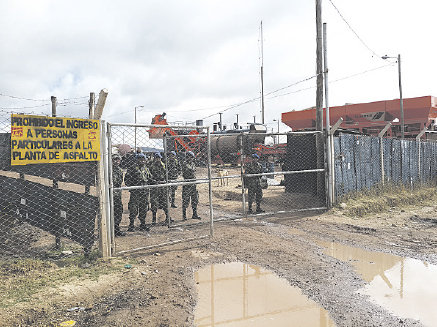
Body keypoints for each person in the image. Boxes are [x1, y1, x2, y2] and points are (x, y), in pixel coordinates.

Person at [124, 153, 150, 231]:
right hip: (135, 192)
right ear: (137, 160)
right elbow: (127, 180)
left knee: (143, 208)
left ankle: (143, 224)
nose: (142, 161)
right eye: (140, 159)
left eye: (143, 159)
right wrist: (133, 186)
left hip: (144, 192)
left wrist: (154, 182)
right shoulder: (132, 168)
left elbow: (149, 177)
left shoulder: (145, 168)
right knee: (133, 209)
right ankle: (131, 225)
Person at [149, 152, 172, 224]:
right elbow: (149, 176)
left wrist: (165, 181)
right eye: (156, 158)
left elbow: (167, 175)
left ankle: (168, 218)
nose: (158, 159)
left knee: (165, 202)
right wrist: (154, 181)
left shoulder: (163, 165)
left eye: (159, 158)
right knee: (154, 203)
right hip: (155, 186)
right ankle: (154, 219)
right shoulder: (152, 166)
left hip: (163, 186)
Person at [182, 151, 200, 220]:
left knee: (195, 199)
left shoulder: (192, 164)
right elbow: (190, 170)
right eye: (189, 157)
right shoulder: (184, 164)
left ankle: (194, 214)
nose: (190, 158)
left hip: (193, 184)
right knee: (185, 200)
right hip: (187, 184)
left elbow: (193, 171)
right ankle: (184, 216)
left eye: (191, 157)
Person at [112, 154, 125, 236]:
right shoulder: (108, 170)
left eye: (118, 160)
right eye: (114, 160)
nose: (116, 161)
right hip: (110, 194)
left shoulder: (120, 170)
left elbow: (119, 182)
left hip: (117, 194)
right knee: (110, 212)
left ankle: (116, 228)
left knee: (118, 211)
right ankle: (110, 230)